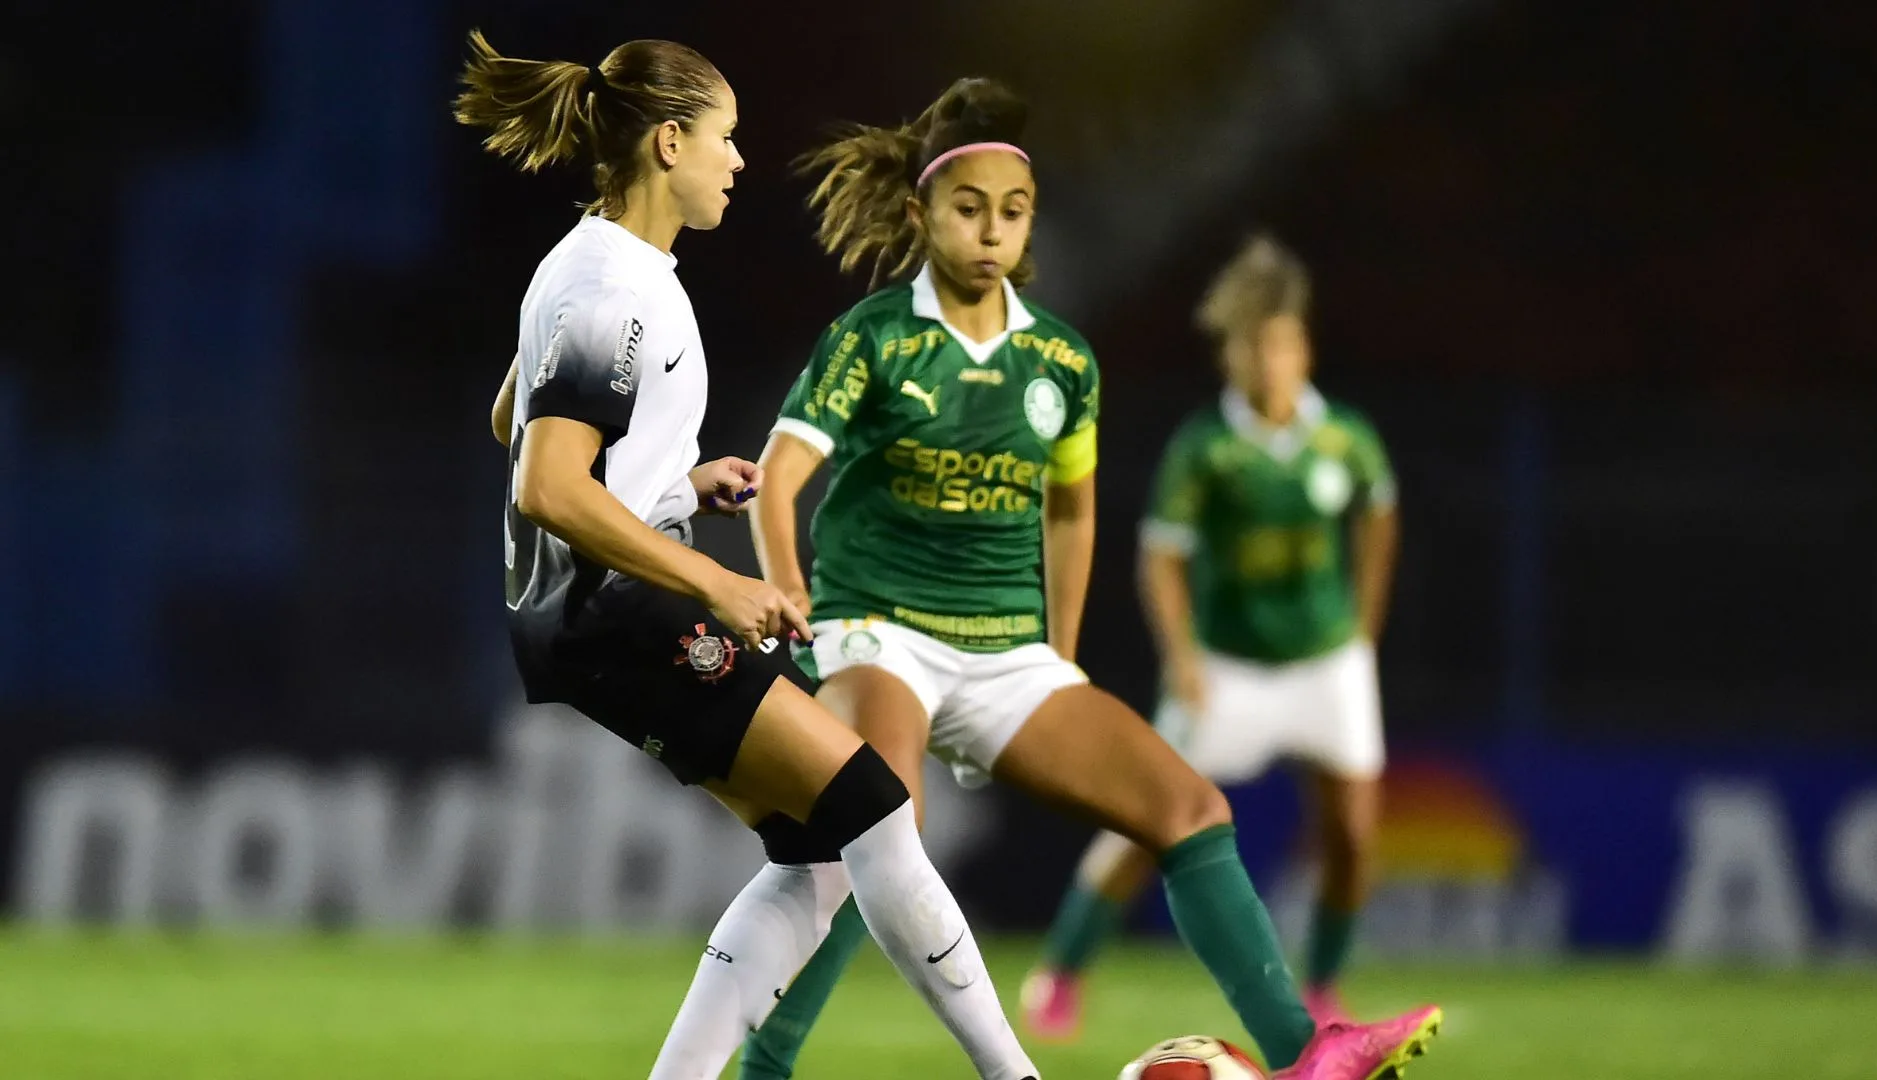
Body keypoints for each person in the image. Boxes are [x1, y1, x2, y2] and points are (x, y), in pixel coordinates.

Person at [737, 78, 1440, 1080]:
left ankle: (1305, 1056)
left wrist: (1056, 657)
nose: (991, 232)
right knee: (879, 826)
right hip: (875, 629)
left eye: (1012, 214)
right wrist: (787, 599)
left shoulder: (1061, 362)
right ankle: (765, 1070)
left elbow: (1073, 509)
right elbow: (780, 480)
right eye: (969, 209)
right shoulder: (876, 339)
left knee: (1191, 808)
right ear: (920, 214)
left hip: (1006, 650)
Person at [454, 33, 1039, 1080]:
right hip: (617, 609)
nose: (735, 161)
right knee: (874, 808)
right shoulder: (613, 290)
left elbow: (514, 420)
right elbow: (546, 484)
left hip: (587, 609)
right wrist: (717, 577)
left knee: (820, 850)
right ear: (669, 141)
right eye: (724, 139)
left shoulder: (583, 262)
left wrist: (680, 488)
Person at [1023, 234, 1403, 1037]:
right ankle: (1060, 970)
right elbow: (1160, 558)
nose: (1267, 361)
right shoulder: (1206, 449)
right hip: (1227, 669)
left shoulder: (1346, 438)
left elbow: (1379, 515)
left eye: (1280, 343)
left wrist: (1365, 625)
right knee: (1147, 821)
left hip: (1327, 660)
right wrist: (1184, 657)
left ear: (1301, 348)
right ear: (1230, 353)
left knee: (1354, 835)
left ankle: (1326, 985)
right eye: (1250, 345)